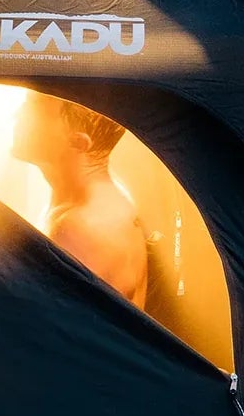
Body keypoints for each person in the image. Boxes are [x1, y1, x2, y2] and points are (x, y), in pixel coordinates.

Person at [11, 94, 150, 308]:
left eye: (35, 108)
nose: (17, 114)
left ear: (78, 142)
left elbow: (39, 331)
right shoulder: (92, 196)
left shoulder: (78, 231)